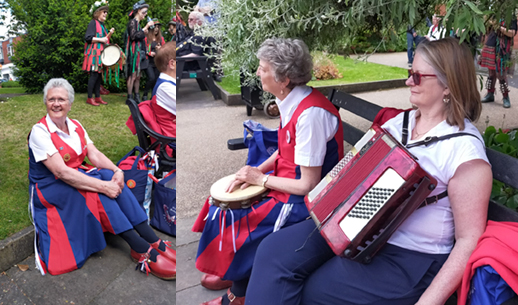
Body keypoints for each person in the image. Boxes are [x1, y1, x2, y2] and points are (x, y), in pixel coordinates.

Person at [246, 37, 493, 305]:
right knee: (272, 252)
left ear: (448, 85)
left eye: (417, 76)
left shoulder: (465, 152)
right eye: (410, 73)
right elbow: (357, 168)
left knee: (314, 291)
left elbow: (468, 240)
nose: (408, 81)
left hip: (410, 258)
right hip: (360, 228)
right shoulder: (402, 123)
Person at [192, 38, 344, 305]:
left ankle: (237, 294)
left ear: (284, 78)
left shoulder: (310, 115)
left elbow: (309, 185)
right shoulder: (291, 100)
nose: (257, 72)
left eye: (262, 68)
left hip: (307, 202)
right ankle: (237, 274)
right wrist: (253, 170)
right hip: (287, 186)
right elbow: (285, 150)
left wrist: (260, 179)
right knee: (224, 205)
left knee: (238, 219)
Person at [28, 78, 176, 280]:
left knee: (108, 175)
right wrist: (104, 187)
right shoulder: (40, 131)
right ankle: (139, 247)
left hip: (75, 174)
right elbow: (61, 172)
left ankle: (150, 238)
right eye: (51, 99)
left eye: (61, 99)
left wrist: (117, 171)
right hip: (51, 187)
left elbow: (94, 154)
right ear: (46, 102)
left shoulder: (75, 125)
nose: (56, 104)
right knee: (98, 189)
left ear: (70, 103)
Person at [479, 16, 517, 108]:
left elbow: (512, 33)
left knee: (501, 74)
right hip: (490, 44)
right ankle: (490, 94)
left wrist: (498, 27)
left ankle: (505, 97)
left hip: (502, 48)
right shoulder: (493, 14)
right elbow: (486, 31)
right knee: (491, 73)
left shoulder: (511, 16)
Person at [82, 0, 114, 106]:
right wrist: (101, 40)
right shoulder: (93, 23)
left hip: (100, 54)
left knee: (98, 76)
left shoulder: (103, 25)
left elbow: (105, 39)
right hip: (94, 54)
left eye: (106, 12)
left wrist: (109, 35)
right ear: (98, 12)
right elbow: (88, 38)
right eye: (104, 11)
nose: (106, 14)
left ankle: (98, 97)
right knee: (94, 75)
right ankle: (89, 98)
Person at [124, 0, 154, 104]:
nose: (145, 15)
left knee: (138, 75)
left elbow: (139, 35)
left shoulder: (138, 23)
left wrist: (144, 32)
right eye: (143, 12)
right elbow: (133, 36)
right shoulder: (133, 22)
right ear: (138, 11)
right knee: (133, 75)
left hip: (140, 52)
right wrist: (145, 28)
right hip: (134, 52)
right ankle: (130, 97)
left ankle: (136, 96)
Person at [142, 18, 166, 101]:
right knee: (151, 78)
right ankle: (145, 94)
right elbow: (142, 49)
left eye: (158, 27)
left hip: (157, 62)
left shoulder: (161, 39)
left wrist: (160, 49)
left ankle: (153, 96)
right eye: (155, 27)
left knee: (156, 79)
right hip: (148, 61)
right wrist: (149, 53)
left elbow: (165, 49)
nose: (156, 29)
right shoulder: (146, 38)